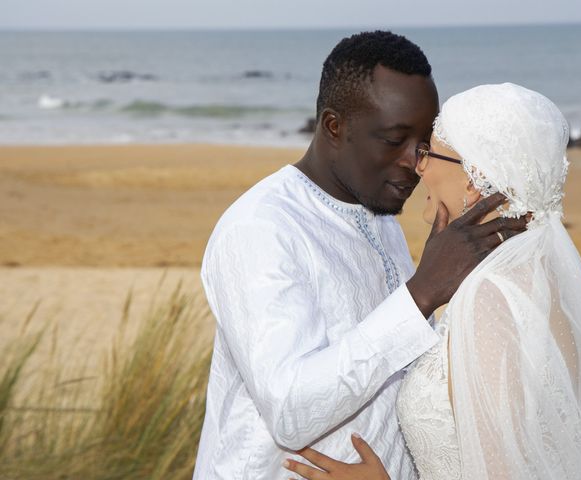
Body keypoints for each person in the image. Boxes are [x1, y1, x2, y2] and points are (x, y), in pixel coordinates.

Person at [192, 32, 528, 479]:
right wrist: (422, 293)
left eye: (426, 140)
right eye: (394, 140)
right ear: (335, 127)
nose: (417, 161)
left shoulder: (380, 216)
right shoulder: (261, 228)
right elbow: (289, 412)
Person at [284, 83, 581, 479]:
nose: (419, 167)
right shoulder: (542, 281)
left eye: (430, 153)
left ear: (474, 178)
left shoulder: (494, 297)